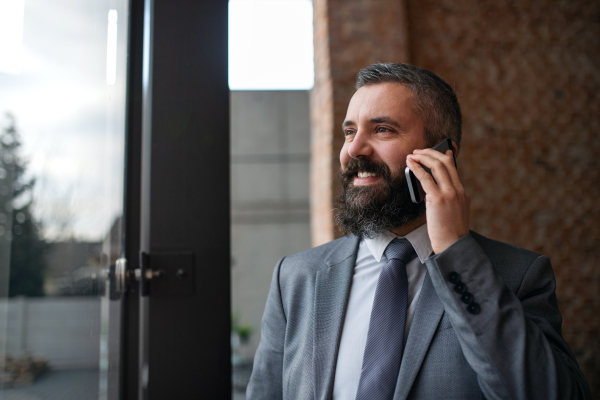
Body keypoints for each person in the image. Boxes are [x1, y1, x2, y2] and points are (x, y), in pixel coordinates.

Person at [246, 63, 591, 400]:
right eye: (350, 132)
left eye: (382, 129)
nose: (354, 149)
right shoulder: (296, 278)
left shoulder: (519, 276)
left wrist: (455, 251)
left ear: (441, 155)